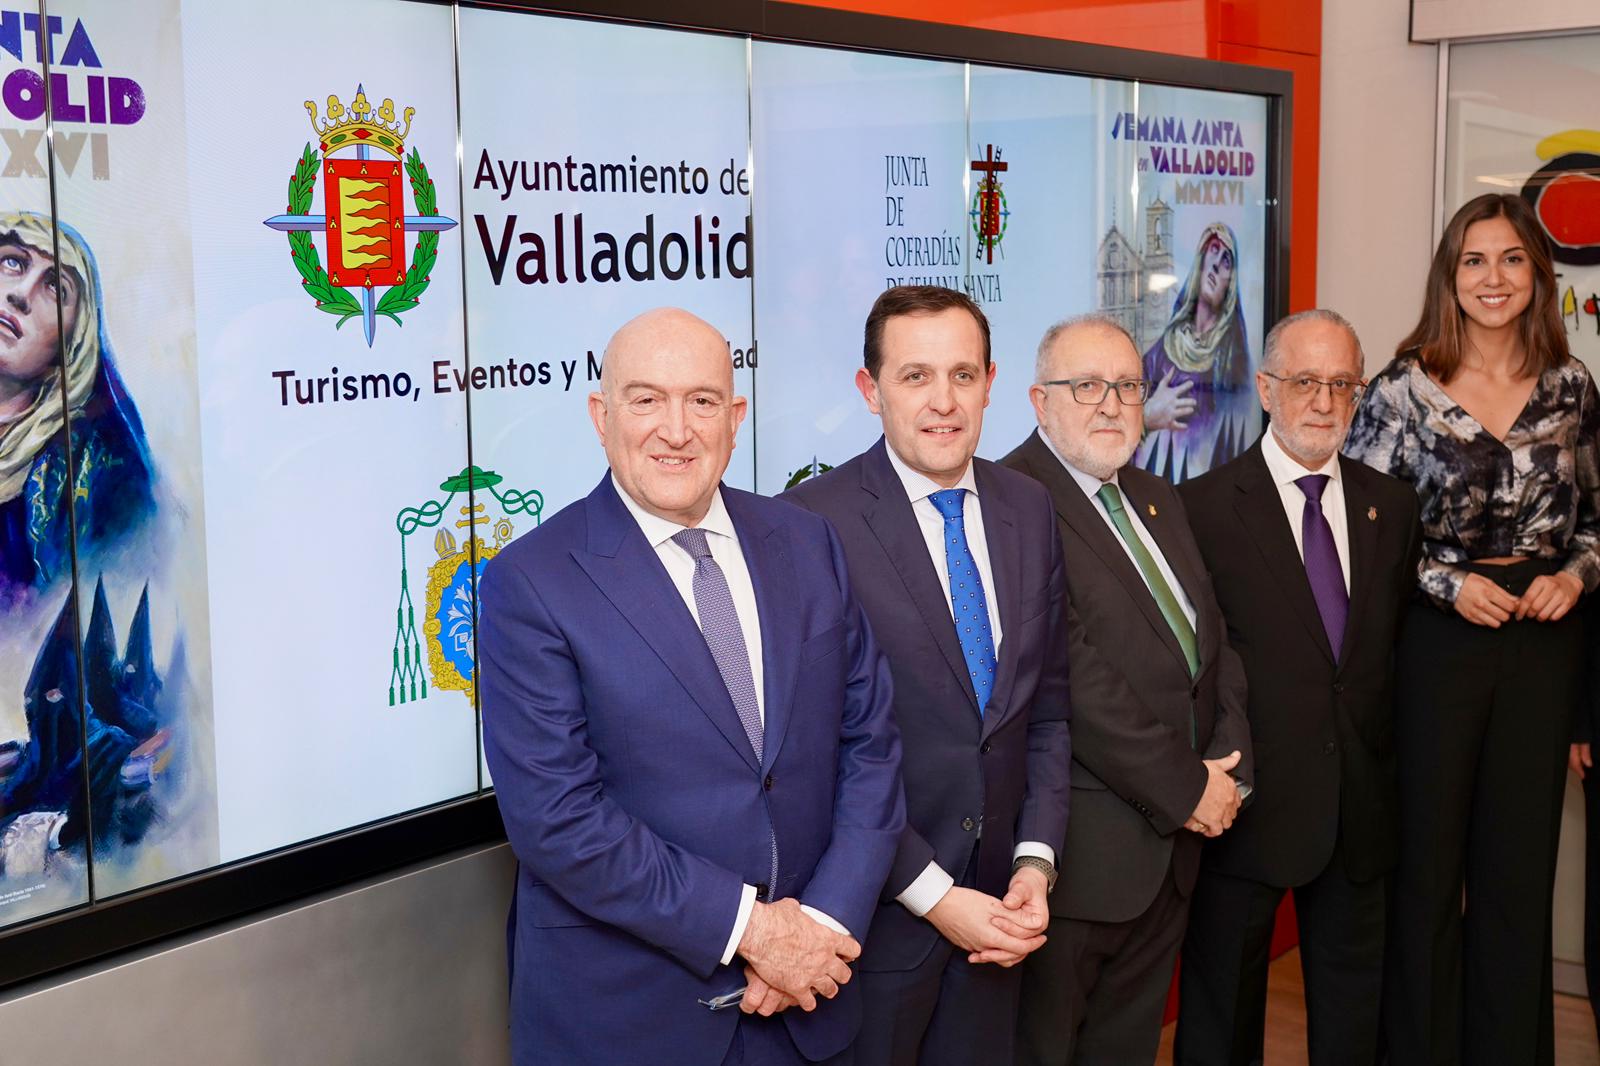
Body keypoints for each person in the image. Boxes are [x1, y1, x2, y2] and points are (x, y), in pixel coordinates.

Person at [477, 307, 906, 1066]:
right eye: (646, 400)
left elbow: (870, 743)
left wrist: (823, 927)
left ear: (735, 419)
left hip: (812, 999)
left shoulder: (807, 542)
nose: (675, 430)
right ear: (601, 417)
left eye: (702, 401)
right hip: (632, 1022)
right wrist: (755, 931)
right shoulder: (532, 582)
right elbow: (558, 819)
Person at [782, 286, 1071, 1066]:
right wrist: (937, 898)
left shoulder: (1030, 507)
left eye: (963, 375)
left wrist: (1035, 862)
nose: (944, 402)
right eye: (915, 376)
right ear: (869, 389)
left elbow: (1046, 710)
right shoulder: (808, 525)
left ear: (990, 382)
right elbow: (814, 755)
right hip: (876, 930)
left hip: (1001, 923)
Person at [1344, 192, 1600, 1066]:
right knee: (1425, 874)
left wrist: (1573, 575)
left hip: (1543, 646)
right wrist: (1448, 585)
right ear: (1449, 277)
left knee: (1518, 879)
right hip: (1434, 645)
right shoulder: (1400, 389)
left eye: (1512, 259)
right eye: (1475, 260)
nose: (1494, 278)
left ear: (1539, 274)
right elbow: (1359, 534)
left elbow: (1597, 521)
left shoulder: (1572, 387)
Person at [1172, 310, 1422, 1065]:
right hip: (1246, 811)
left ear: (1360, 393)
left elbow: (1387, 659)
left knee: (1354, 1026)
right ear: (1265, 388)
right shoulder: (1201, 508)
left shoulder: (1391, 506)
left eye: (1342, 384)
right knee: (1221, 1025)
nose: (1323, 401)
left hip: (1359, 812)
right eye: (1305, 381)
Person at [1002, 313, 1252, 1066]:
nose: (1112, 404)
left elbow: (1212, 639)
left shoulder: (1154, 494)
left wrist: (1230, 765)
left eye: (1127, 386)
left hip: (1172, 856)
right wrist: (1188, 788)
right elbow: (1071, 677)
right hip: (1079, 863)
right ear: (1040, 400)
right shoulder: (1013, 501)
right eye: (1087, 386)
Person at [0, 212, 155, 600]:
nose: (21, 295)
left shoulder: (97, 468)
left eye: (56, 287)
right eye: (13, 262)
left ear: (69, 347)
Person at [1137, 223, 1256, 483]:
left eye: (1226, 261)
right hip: (1153, 487)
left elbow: (1239, 433)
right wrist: (1147, 418)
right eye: (1212, 250)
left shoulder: (1232, 359)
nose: (1216, 265)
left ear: (1231, 282)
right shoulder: (1161, 351)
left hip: (1209, 488)